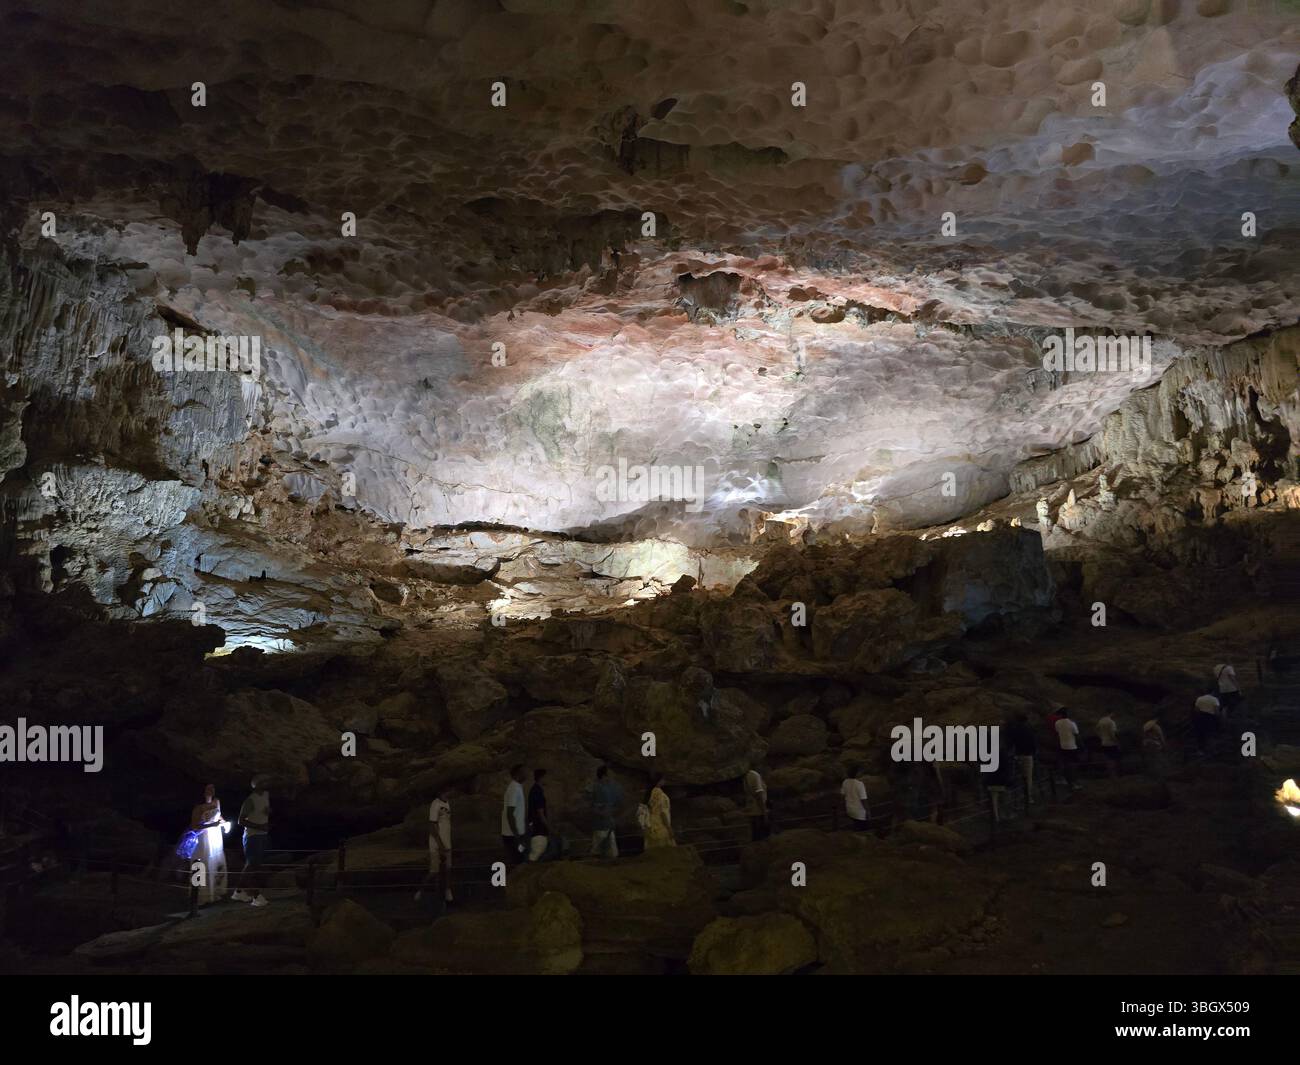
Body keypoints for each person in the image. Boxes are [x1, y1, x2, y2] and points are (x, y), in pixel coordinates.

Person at [232, 777, 270, 906]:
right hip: (252, 836)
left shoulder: (266, 795)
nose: (267, 783)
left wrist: (268, 812)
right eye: (264, 781)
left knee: (254, 865)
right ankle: (256, 896)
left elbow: (263, 812)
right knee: (251, 865)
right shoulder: (250, 800)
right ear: (256, 785)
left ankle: (238, 892)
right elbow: (241, 820)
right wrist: (260, 827)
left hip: (262, 835)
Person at [190, 784, 229, 905]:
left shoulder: (217, 801)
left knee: (216, 862)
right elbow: (194, 826)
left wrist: (224, 822)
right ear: (203, 791)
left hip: (216, 837)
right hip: (204, 838)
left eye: (213, 788)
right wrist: (211, 825)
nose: (212, 790)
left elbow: (219, 815)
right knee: (202, 863)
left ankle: (216, 892)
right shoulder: (199, 808)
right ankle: (200, 896)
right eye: (208, 788)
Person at [415, 789, 453, 906]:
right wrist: (440, 844)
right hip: (437, 844)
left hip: (447, 843)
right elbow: (432, 826)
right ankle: (421, 891)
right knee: (434, 871)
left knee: (447, 869)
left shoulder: (447, 803)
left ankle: (446, 891)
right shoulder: (435, 804)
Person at [589, 765, 623, 859]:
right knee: (599, 848)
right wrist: (604, 813)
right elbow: (594, 806)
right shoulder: (596, 788)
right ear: (604, 776)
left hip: (607, 822)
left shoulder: (606, 788)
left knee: (610, 850)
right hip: (600, 823)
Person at [1005, 712, 1037, 804]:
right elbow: (1033, 742)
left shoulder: (1014, 729)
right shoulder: (1029, 729)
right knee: (1028, 777)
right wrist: (1034, 751)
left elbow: (1010, 743)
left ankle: (1017, 797)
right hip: (1028, 754)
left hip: (1017, 754)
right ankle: (1029, 797)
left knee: (1017, 777)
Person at [501, 764, 527, 865]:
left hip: (515, 834)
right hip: (512, 835)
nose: (526, 774)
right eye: (524, 772)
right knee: (518, 862)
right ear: (518, 774)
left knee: (519, 861)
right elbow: (510, 813)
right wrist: (517, 835)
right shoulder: (514, 789)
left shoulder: (517, 787)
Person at [644, 775, 675, 849]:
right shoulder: (660, 795)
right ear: (659, 781)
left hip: (651, 823)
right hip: (660, 824)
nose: (664, 781)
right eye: (663, 780)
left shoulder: (650, 793)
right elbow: (662, 812)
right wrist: (669, 827)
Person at [1055, 708, 1081, 791]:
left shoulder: (1057, 723)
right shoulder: (1072, 723)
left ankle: (1066, 780)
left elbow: (1057, 732)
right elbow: (1076, 734)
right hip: (1072, 746)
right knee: (1073, 765)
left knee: (1065, 764)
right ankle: (1074, 783)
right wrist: (1081, 746)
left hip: (1062, 746)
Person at [744, 764, 769, 840]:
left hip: (751, 809)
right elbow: (759, 794)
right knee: (762, 836)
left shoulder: (746, 775)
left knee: (754, 834)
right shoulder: (755, 775)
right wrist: (764, 812)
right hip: (758, 811)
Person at [1192, 690, 1222, 755]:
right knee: (1210, 734)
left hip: (1200, 718)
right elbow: (1217, 711)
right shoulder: (1215, 699)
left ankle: (1200, 750)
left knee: (1200, 734)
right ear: (1213, 692)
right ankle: (1212, 750)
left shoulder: (1199, 699)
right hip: (1210, 718)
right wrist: (1219, 719)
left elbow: (1196, 710)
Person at [528, 768, 549, 840]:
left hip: (536, 826)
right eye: (546, 777)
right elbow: (540, 814)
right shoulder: (537, 791)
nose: (547, 779)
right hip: (539, 828)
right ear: (541, 778)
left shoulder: (534, 789)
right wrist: (550, 828)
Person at [1097, 712, 1120, 777]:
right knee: (1113, 759)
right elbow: (1112, 734)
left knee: (1107, 759)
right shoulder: (1111, 722)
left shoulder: (1101, 721)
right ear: (1111, 713)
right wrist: (1117, 742)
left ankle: (1109, 773)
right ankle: (1114, 774)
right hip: (1111, 743)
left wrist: (1101, 737)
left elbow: (1096, 729)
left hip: (1104, 743)